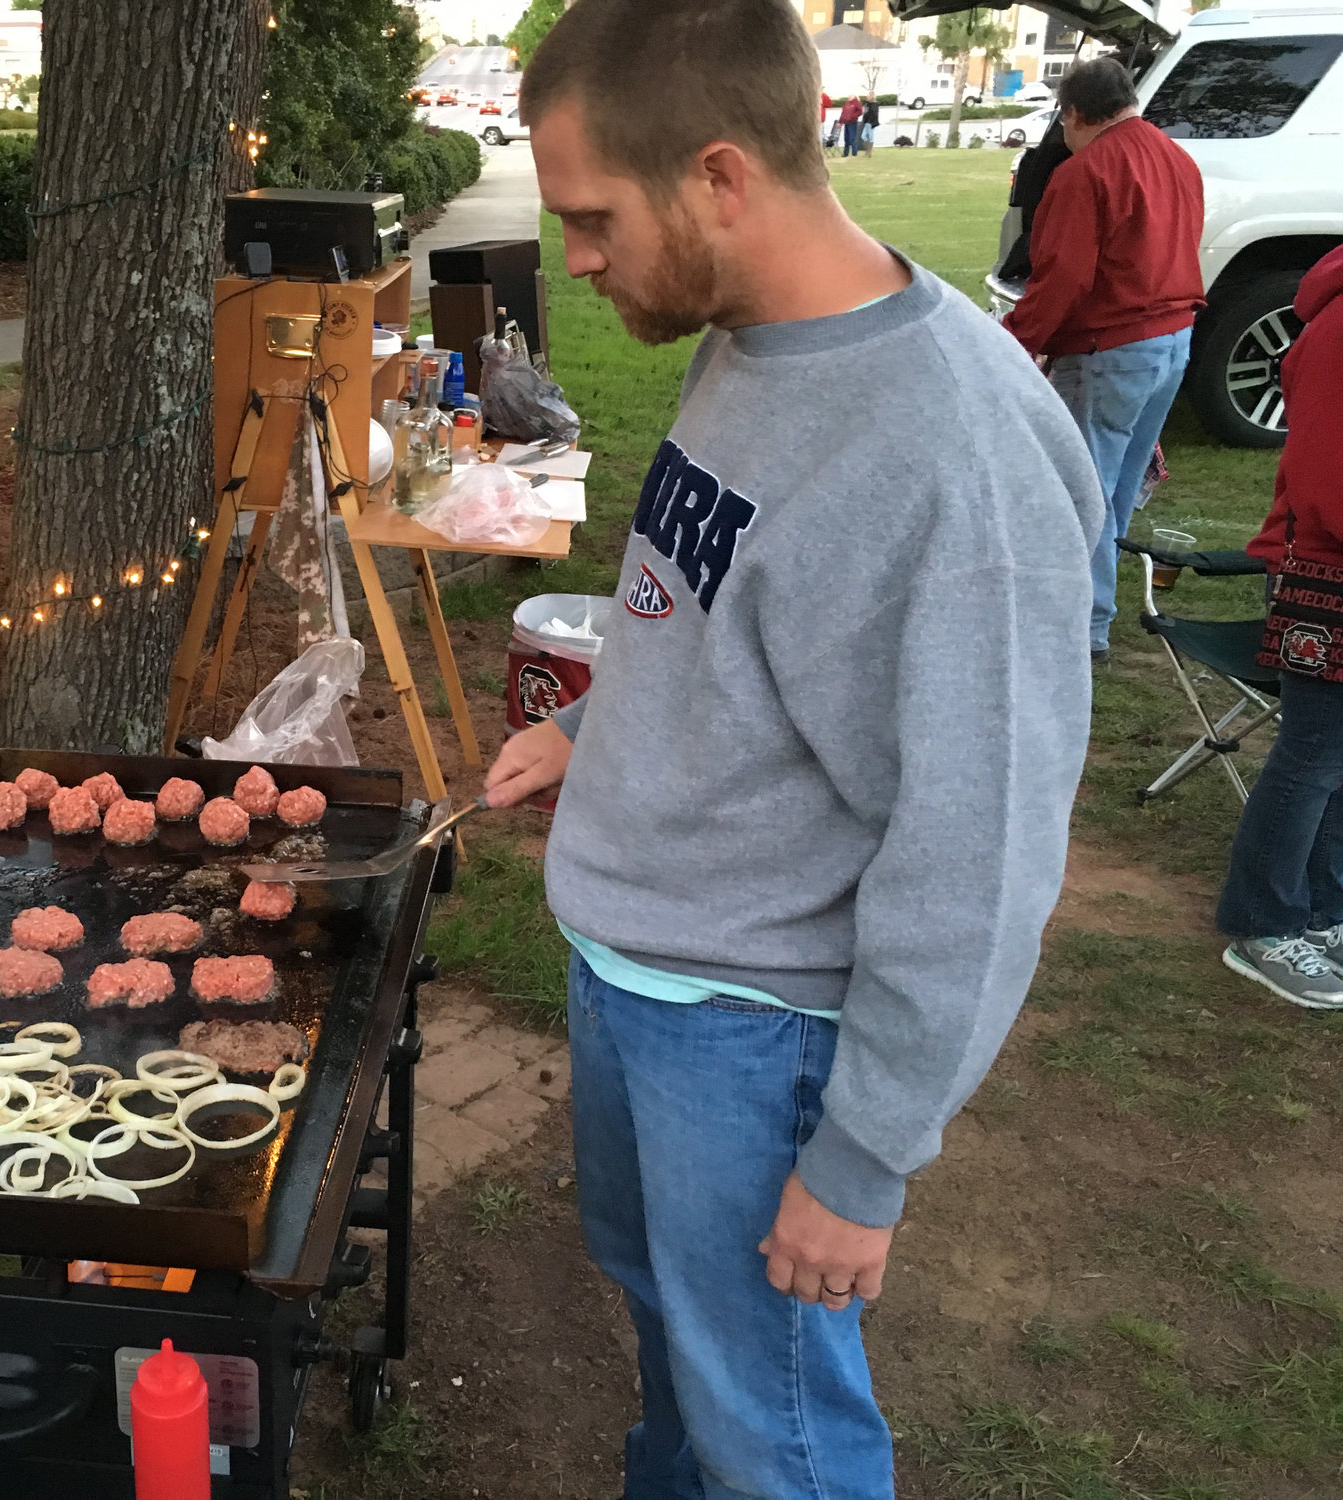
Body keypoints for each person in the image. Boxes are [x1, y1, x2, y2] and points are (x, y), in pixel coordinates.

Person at [494, 1, 1104, 1495]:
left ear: (717, 176)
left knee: (770, 1429)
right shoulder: (748, 336)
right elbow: (697, 606)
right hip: (635, 974)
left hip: (752, 1033)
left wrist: (862, 1156)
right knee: (675, 1341)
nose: (575, 259)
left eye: (592, 218)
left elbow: (978, 850)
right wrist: (585, 725)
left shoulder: (948, 458)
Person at [1003, 56, 1203, 663]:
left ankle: (1081, 627)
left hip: (1112, 348)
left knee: (1082, 493)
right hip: (1173, 339)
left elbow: (1063, 276)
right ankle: (1095, 615)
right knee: (1116, 490)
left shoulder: (1085, 171)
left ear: (1074, 114)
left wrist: (1015, 342)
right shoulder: (1177, 158)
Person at [1217, 246, 1343, 1009]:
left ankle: (1326, 912)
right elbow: (1328, 480)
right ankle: (1263, 923)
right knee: (1314, 755)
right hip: (1324, 572)